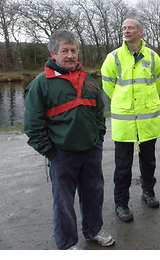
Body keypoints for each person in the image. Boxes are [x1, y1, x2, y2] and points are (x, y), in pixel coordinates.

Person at [24, 29, 114, 250]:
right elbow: (33, 125)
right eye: (65, 51)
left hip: (91, 150)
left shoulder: (88, 79)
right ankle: (67, 244)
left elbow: (99, 112)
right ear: (53, 53)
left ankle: (94, 230)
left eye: (73, 50)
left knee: (94, 193)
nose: (70, 55)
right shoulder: (41, 83)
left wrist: (98, 138)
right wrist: (51, 151)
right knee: (63, 202)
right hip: (61, 153)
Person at [101, 18, 160, 222]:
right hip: (124, 121)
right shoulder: (114, 57)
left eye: (130, 28)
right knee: (122, 166)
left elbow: (159, 82)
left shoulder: (153, 56)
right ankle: (121, 204)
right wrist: (124, 103)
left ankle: (148, 193)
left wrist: (146, 102)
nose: (126, 31)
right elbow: (108, 86)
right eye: (124, 28)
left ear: (141, 32)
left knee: (149, 162)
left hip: (147, 120)